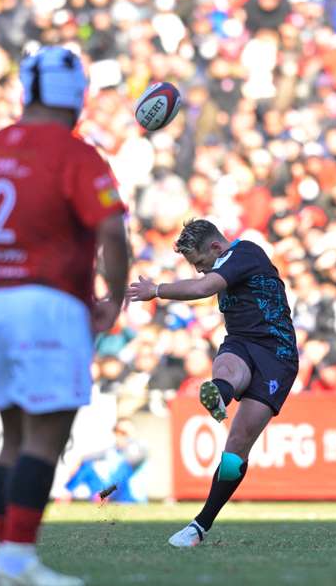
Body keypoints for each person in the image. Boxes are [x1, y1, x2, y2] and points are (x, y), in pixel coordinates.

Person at [0, 45, 129, 586]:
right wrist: (114, 298)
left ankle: (8, 557)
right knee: (44, 440)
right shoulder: (76, 153)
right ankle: (16, 562)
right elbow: (112, 231)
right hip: (51, 305)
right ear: (75, 94)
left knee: (13, 437)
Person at [126, 219, 298, 547]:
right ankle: (220, 392)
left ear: (217, 249)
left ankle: (200, 525)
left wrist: (157, 291)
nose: (200, 271)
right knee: (227, 368)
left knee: (234, 454)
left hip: (277, 354)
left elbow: (204, 289)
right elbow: (204, 284)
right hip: (241, 342)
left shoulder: (246, 251)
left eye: (201, 264)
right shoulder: (225, 262)